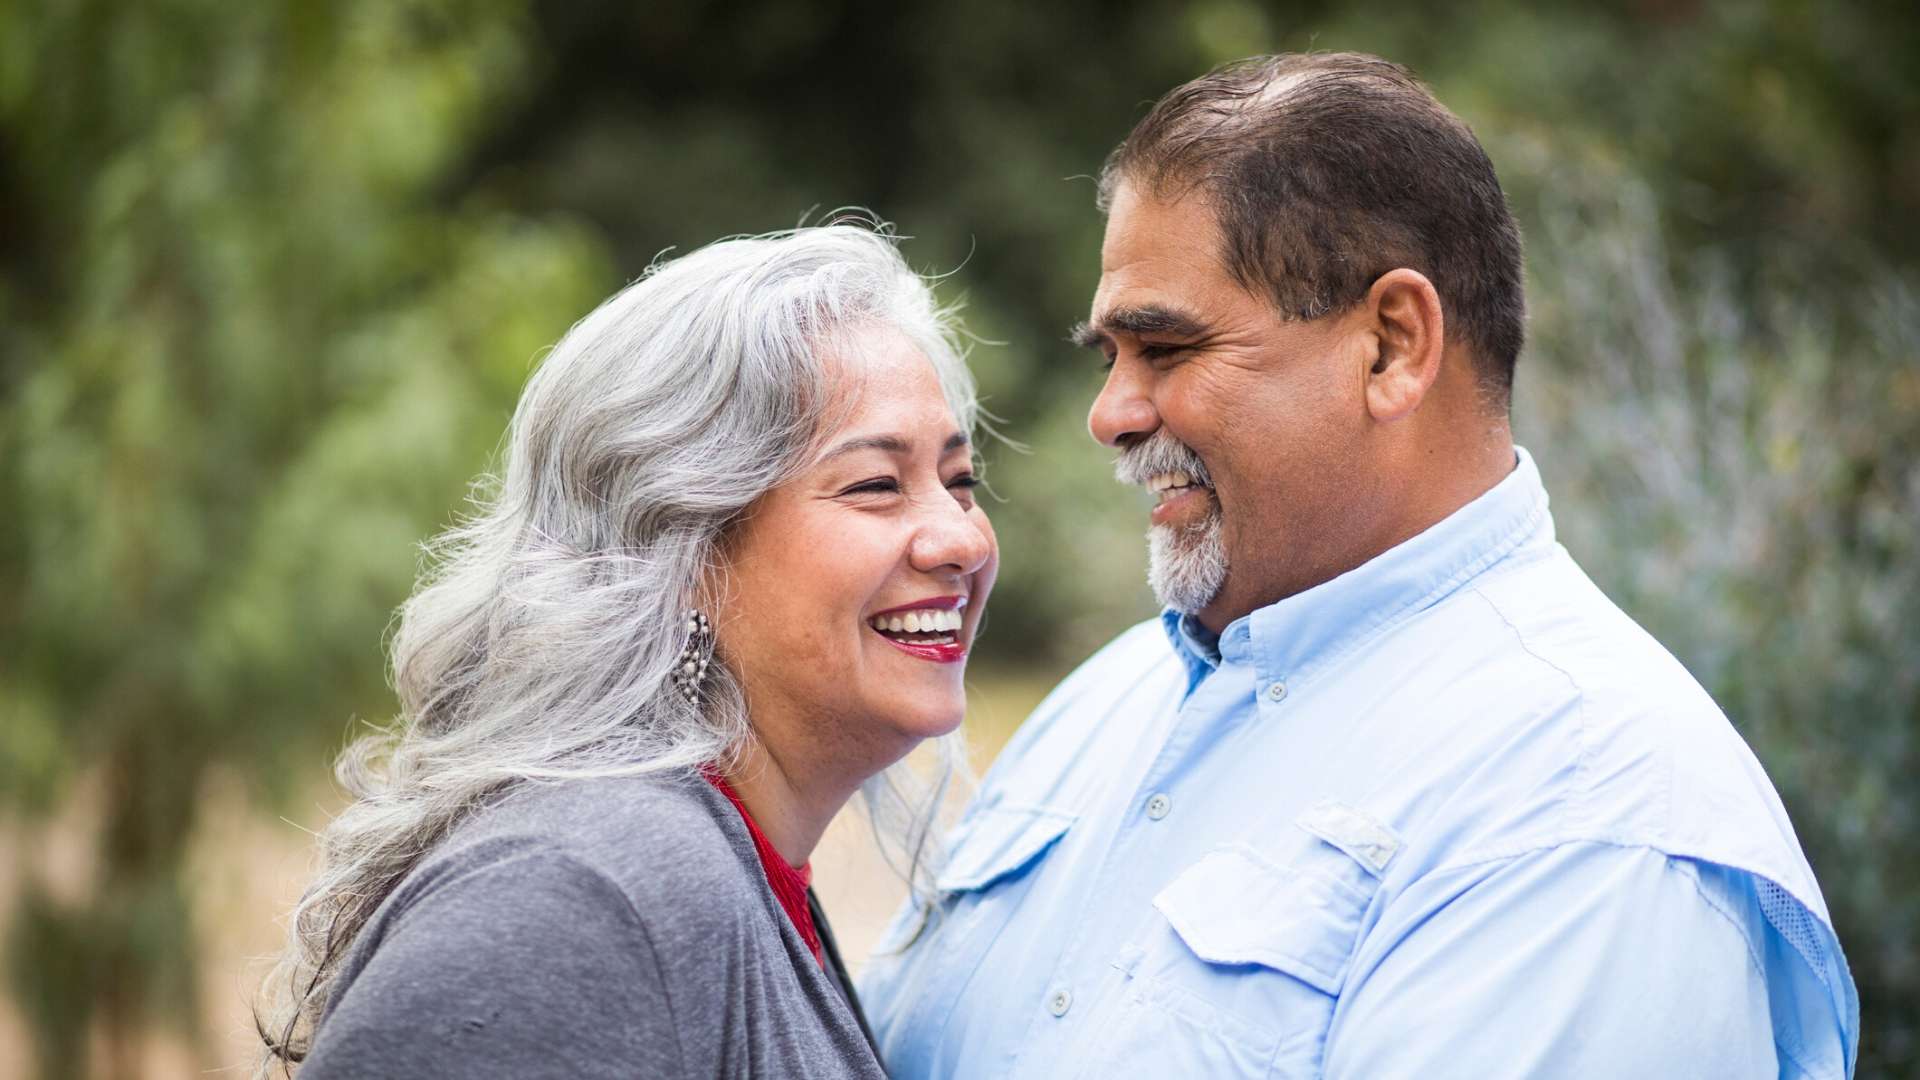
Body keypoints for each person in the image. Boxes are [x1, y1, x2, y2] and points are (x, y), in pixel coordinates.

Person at [862, 53, 1857, 1078]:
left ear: (1391, 346)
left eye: (1164, 350)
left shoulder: (1585, 814)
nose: (1109, 415)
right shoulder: (1105, 704)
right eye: (1106, 358)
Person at [254, 223, 998, 1078]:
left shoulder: (717, 869)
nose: (962, 538)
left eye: (959, 480)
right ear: (677, 548)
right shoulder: (581, 895)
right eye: (876, 484)